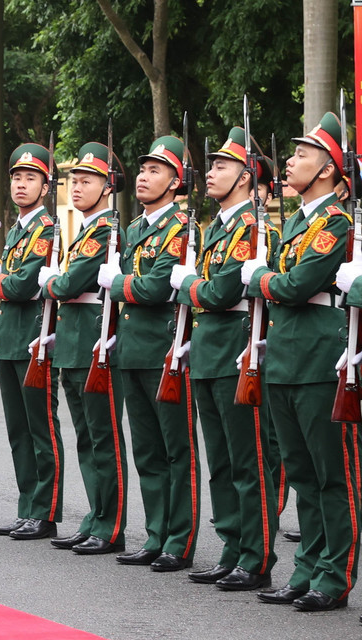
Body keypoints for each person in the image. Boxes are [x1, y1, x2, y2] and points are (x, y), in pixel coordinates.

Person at [243, 112, 360, 611]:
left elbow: (295, 285)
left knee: (333, 474)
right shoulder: (293, 221)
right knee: (301, 471)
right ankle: (306, 567)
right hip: (285, 359)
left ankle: (335, 576)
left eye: (302, 155)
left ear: (329, 170)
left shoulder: (335, 222)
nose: (289, 162)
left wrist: (260, 278)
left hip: (318, 359)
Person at [170, 127, 279, 590]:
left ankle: (255, 557)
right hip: (208, 350)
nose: (210, 173)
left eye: (221, 166)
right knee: (220, 460)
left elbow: (220, 291)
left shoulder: (251, 227)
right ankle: (232, 546)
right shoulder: (217, 227)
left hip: (235, 348)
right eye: (211, 165)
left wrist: (186, 284)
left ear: (246, 177)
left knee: (249, 461)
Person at [98, 135, 201, 572]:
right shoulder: (135, 228)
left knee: (178, 450)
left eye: (155, 170)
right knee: (147, 452)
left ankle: (180, 540)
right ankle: (156, 533)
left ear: (177, 182)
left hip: (165, 350)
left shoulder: (181, 228)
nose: (142, 176)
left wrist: (116, 283)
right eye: (142, 169)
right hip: (132, 350)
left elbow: (156, 287)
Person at [36, 141, 128, 555]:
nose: (76, 186)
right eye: (74, 179)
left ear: (108, 186)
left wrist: (49, 280)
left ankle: (110, 525)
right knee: (86, 439)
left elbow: (69, 284)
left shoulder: (106, 230)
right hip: (73, 342)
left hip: (93, 341)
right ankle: (94, 517)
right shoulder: (85, 229)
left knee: (102, 438)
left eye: (86, 180)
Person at [0, 143, 63, 541]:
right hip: (9, 339)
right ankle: (27, 505)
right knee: (17, 429)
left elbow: (21, 284)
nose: (21, 185)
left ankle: (45, 512)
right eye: (17, 177)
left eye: (31, 178)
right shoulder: (15, 231)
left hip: (34, 341)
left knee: (40, 427)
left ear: (46, 187)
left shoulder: (46, 231)